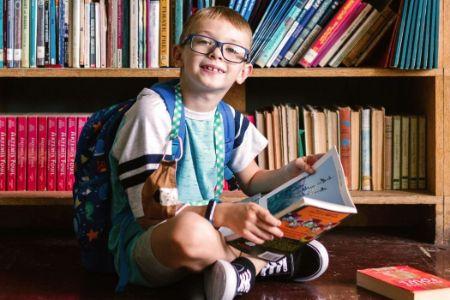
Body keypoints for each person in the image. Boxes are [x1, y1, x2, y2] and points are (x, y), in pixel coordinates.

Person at [108, 6, 328, 300]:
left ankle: (235, 270)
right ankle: (262, 261)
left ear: (244, 72)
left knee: (293, 215)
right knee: (189, 232)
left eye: (233, 51)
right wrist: (222, 213)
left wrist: (292, 173)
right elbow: (152, 208)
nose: (216, 54)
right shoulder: (152, 110)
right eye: (204, 42)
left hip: (213, 227)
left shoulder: (228, 119)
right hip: (153, 240)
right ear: (178, 54)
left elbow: (252, 180)